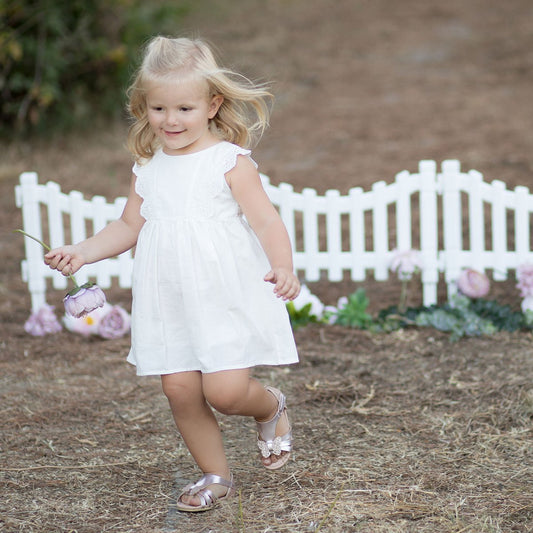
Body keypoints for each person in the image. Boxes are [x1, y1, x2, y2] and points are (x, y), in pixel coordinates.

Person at [44, 36, 300, 512]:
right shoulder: (149, 166)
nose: (171, 120)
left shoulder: (228, 161)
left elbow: (266, 220)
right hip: (169, 297)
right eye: (159, 108)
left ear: (212, 105)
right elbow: (128, 226)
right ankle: (216, 476)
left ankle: (270, 406)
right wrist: (82, 252)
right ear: (144, 107)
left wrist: (282, 265)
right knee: (180, 390)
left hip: (222, 295)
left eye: (184, 108)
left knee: (225, 393)